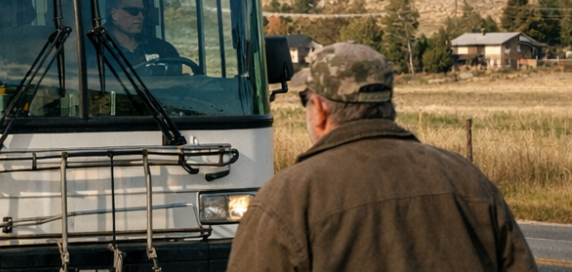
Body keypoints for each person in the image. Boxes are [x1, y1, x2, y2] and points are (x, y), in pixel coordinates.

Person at [228, 43, 537, 271]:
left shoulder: (287, 199)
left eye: (304, 100)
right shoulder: (468, 180)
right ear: (386, 103)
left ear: (320, 109)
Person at [104, 0, 179, 65]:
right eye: (133, 11)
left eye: (143, 12)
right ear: (114, 14)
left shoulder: (163, 50)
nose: (141, 16)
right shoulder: (97, 50)